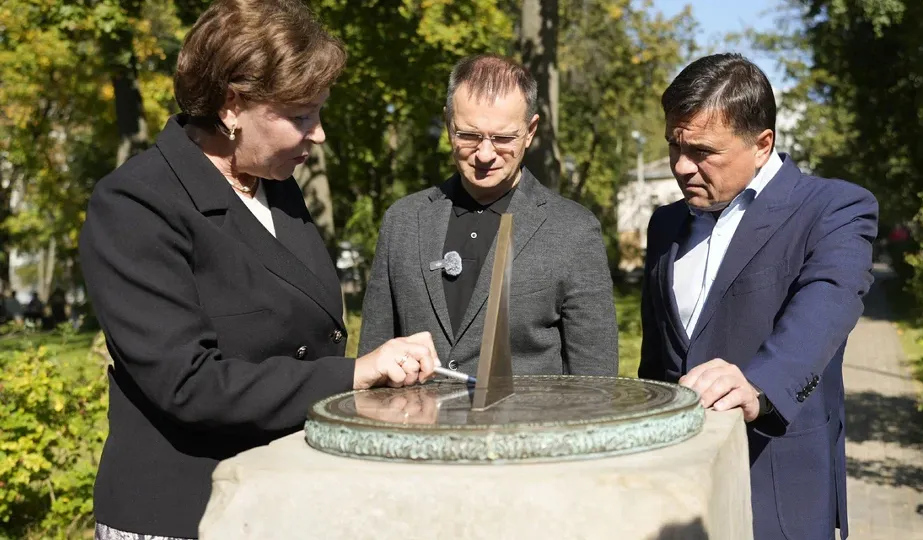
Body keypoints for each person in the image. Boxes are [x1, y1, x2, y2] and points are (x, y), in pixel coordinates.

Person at [79, 1, 439, 538]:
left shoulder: (275, 187)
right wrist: (354, 374)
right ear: (232, 106)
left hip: (282, 495)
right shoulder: (136, 204)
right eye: (301, 116)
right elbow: (190, 383)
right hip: (187, 511)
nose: (319, 134)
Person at [638, 53, 878, 540]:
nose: (681, 167)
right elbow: (657, 358)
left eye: (702, 151)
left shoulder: (833, 209)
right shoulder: (665, 224)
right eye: (674, 146)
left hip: (777, 490)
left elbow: (829, 303)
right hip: (674, 490)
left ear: (762, 144)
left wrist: (758, 384)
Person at [358, 54, 618, 377]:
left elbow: (595, 383)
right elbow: (373, 365)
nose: (484, 154)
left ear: (530, 131)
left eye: (503, 138)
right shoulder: (402, 222)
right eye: (468, 135)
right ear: (448, 124)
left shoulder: (574, 231)